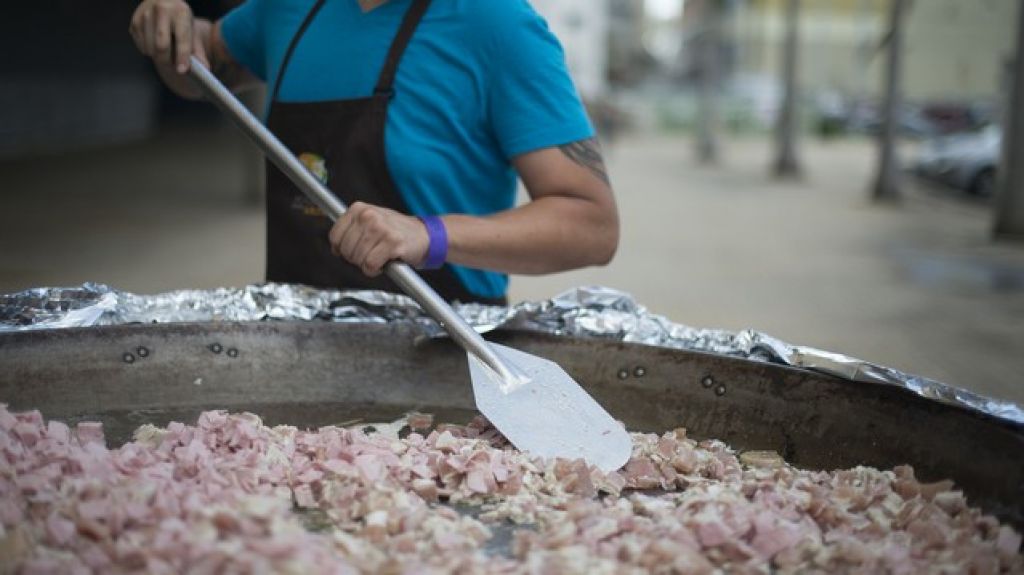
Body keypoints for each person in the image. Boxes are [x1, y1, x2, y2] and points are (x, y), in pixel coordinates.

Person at [130, 0, 618, 305]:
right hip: (290, 344)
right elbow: (202, 66)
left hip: (443, 350)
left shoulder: (497, 24)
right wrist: (173, 26)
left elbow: (592, 226)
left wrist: (429, 234)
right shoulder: (287, 9)